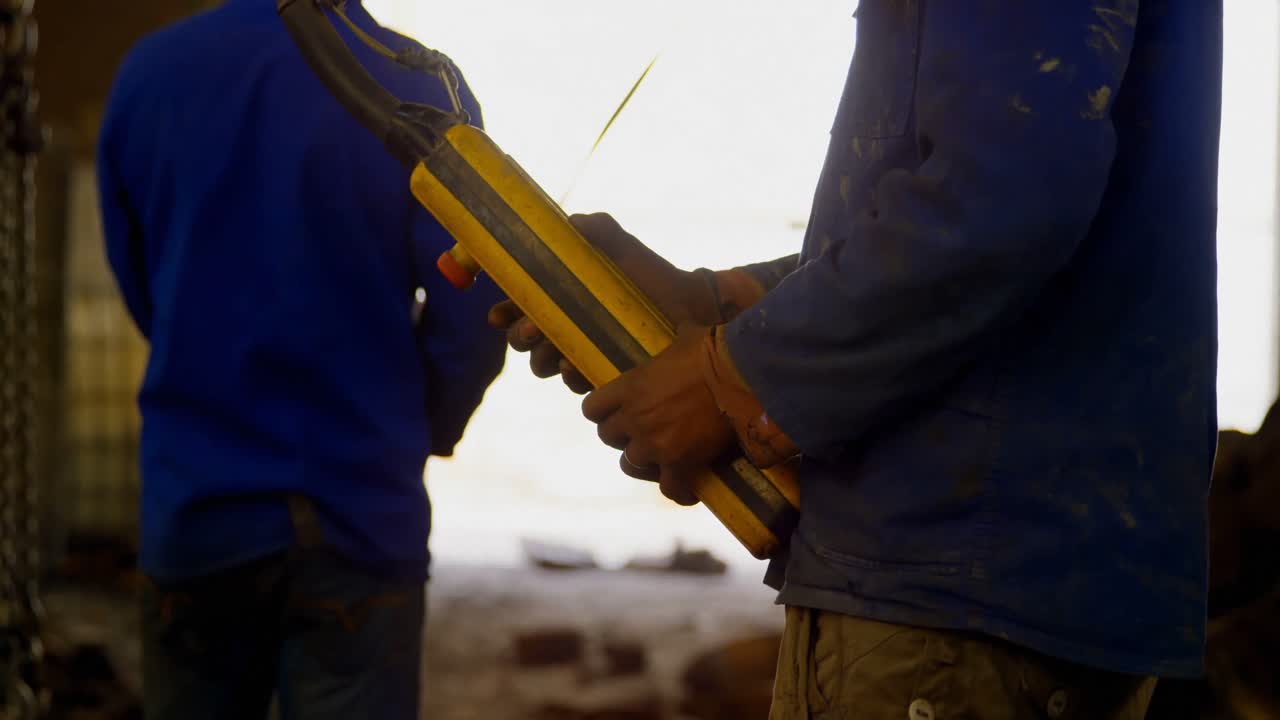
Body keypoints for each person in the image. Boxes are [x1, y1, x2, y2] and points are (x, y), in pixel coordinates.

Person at [494, 2, 1222, 717]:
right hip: (1002, 578)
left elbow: (1001, 196)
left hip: (957, 589)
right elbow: (996, 197)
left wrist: (736, 380)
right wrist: (723, 302)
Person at [97, 1, 504, 718]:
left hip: (196, 509)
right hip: (360, 514)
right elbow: (473, 302)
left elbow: (141, 284)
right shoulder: (415, 84)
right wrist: (422, 424)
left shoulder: (148, 74)